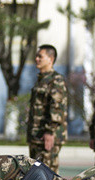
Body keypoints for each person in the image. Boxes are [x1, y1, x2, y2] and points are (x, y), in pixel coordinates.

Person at [26, 44, 68, 172]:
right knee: (36, 174)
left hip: (47, 137)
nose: (37, 59)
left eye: (40, 56)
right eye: (36, 56)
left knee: (47, 175)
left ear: (51, 59)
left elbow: (57, 108)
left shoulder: (55, 80)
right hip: (36, 136)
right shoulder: (41, 79)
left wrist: (50, 132)